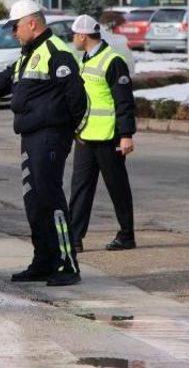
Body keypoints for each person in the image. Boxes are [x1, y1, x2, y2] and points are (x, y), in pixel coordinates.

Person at [0, 0, 87, 287]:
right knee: (34, 201)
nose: (13, 33)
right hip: (30, 136)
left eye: (15, 27)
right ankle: (43, 260)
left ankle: (67, 262)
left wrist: (66, 131)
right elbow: (2, 82)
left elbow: (77, 98)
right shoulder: (28, 55)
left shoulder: (56, 53)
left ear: (32, 23)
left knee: (51, 198)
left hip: (50, 136)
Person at [68, 15, 136, 252]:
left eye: (74, 35)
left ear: (83, 36)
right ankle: (74, 238)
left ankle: (127, 235)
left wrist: (126, 134)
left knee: (117, 187)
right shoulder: (85, 59)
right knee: (80, 188)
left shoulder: (113, 61)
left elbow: (124, 101)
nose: (73, 39)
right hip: (86, 136)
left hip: (109, 137)